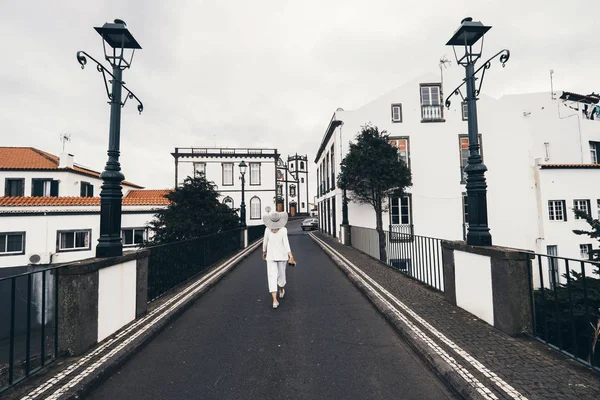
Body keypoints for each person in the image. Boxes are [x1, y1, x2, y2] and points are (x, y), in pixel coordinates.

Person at [262, 208, 295, 309]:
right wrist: (290, 255)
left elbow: (265, 242)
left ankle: (276, 297)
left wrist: (264, 252)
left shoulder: (267, 229)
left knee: (273, 276)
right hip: (281, 256)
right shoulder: (283, 229)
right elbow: (286, 244)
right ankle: (278, 294)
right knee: (280, 275)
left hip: (271, 256)